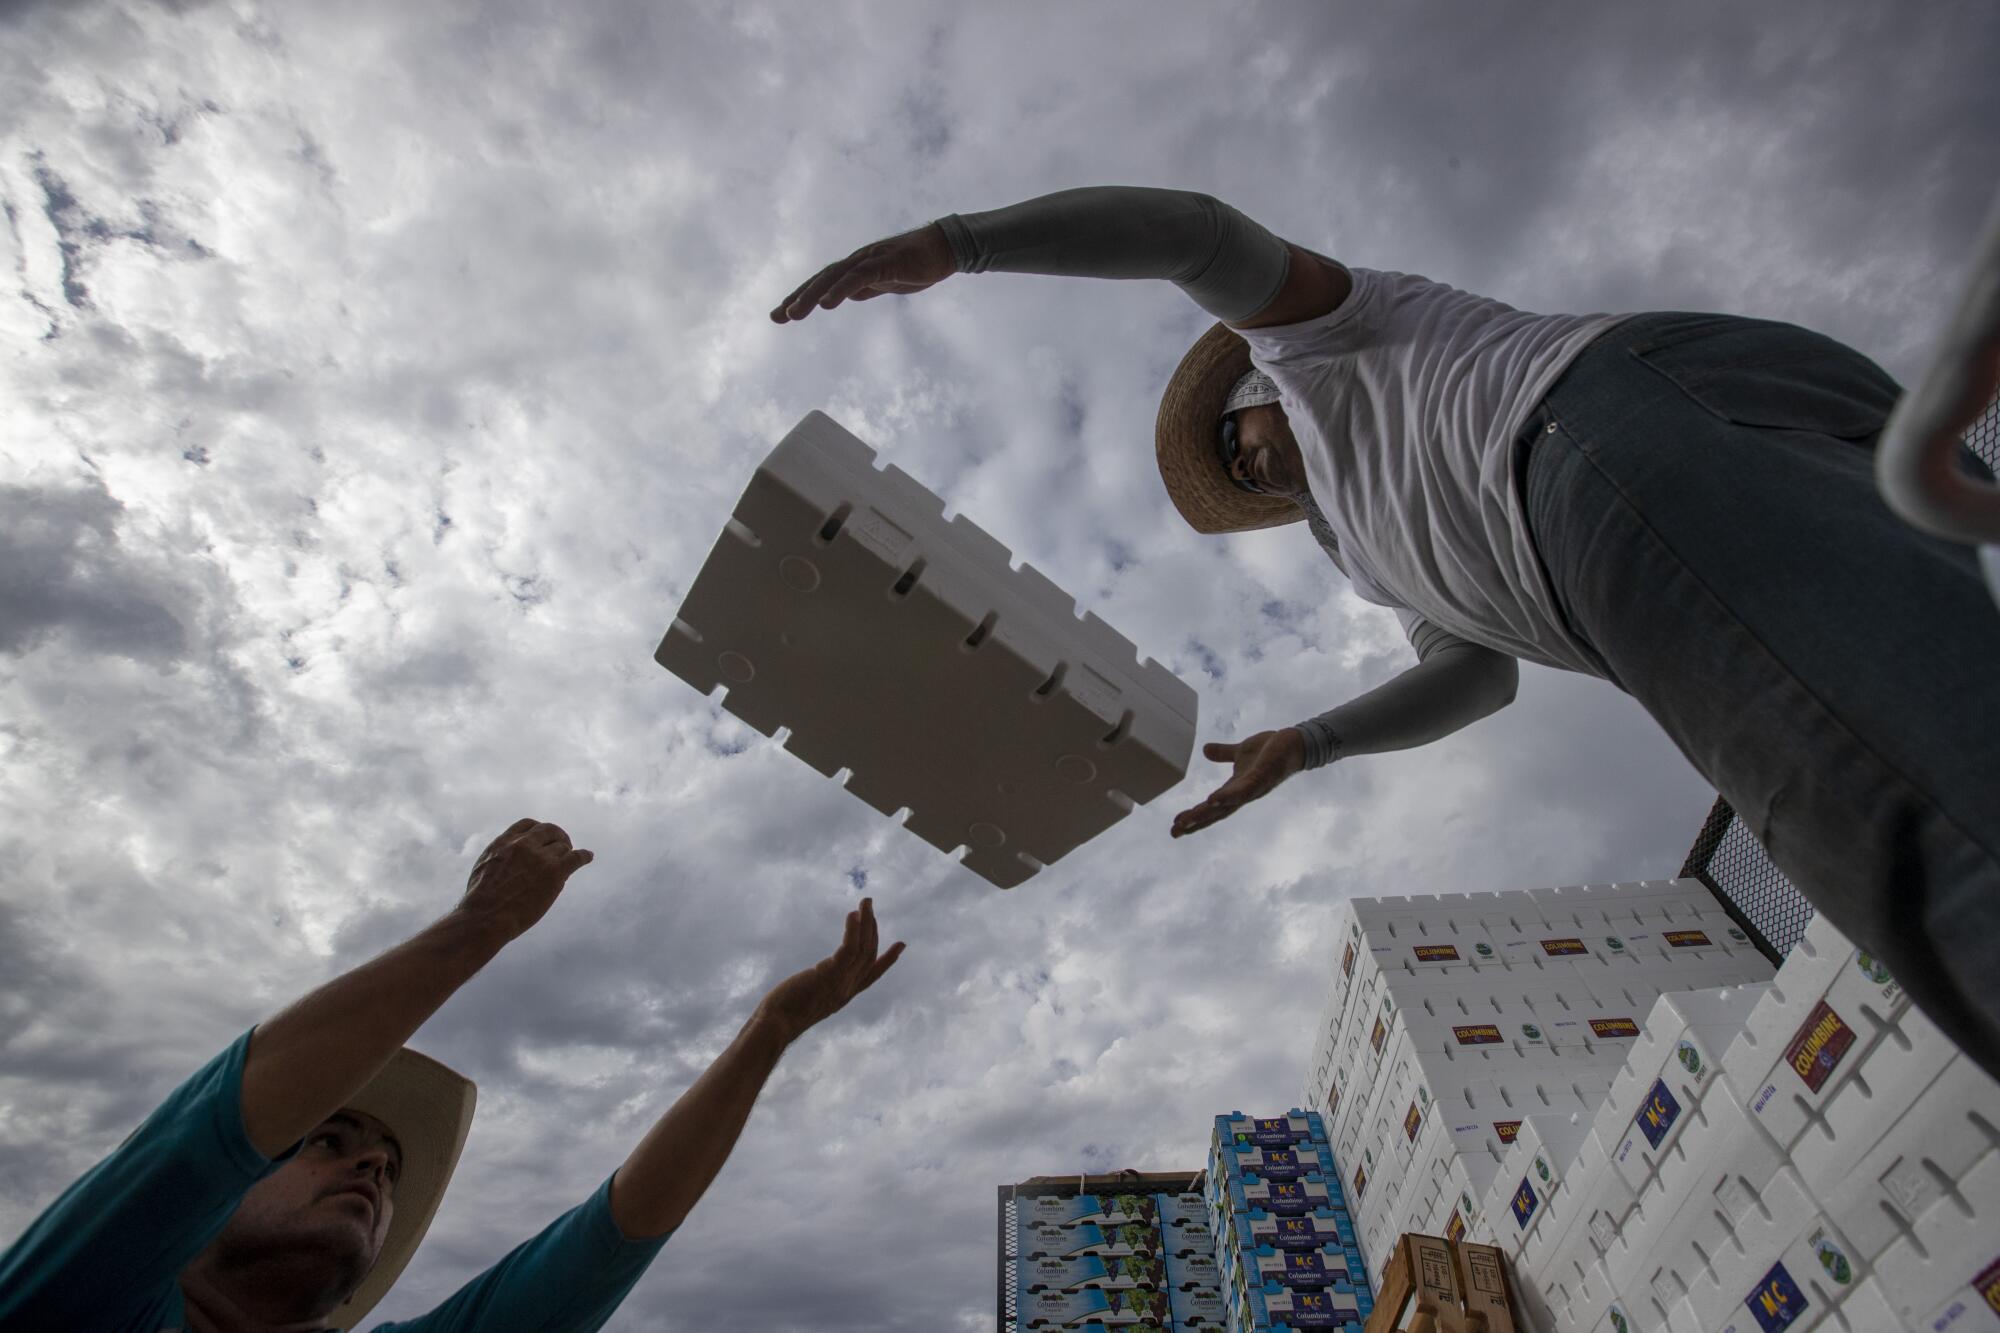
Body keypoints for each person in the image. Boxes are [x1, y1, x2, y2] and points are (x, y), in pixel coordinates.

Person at [770, 185, 2000, 1080]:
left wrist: (960, 245)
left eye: (1235, 442)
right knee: (1939, 731)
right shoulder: (1367, 551)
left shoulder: (1317, 341)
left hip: (1592, 439)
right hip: (1689, 465)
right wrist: (1306, 745)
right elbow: (1474, 682)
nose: (1243, 468)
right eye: (1235, 472)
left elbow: (1190, 233)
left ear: (1255, 395)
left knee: (1900, 826)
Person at [0, 818, 905, 1330]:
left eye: (388, 1167)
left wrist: (772, 1030)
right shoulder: (90, 1301)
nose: (372, 1170)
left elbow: (604, 1242)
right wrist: (481, 925)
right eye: (328, 1138)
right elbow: (200, 1143)